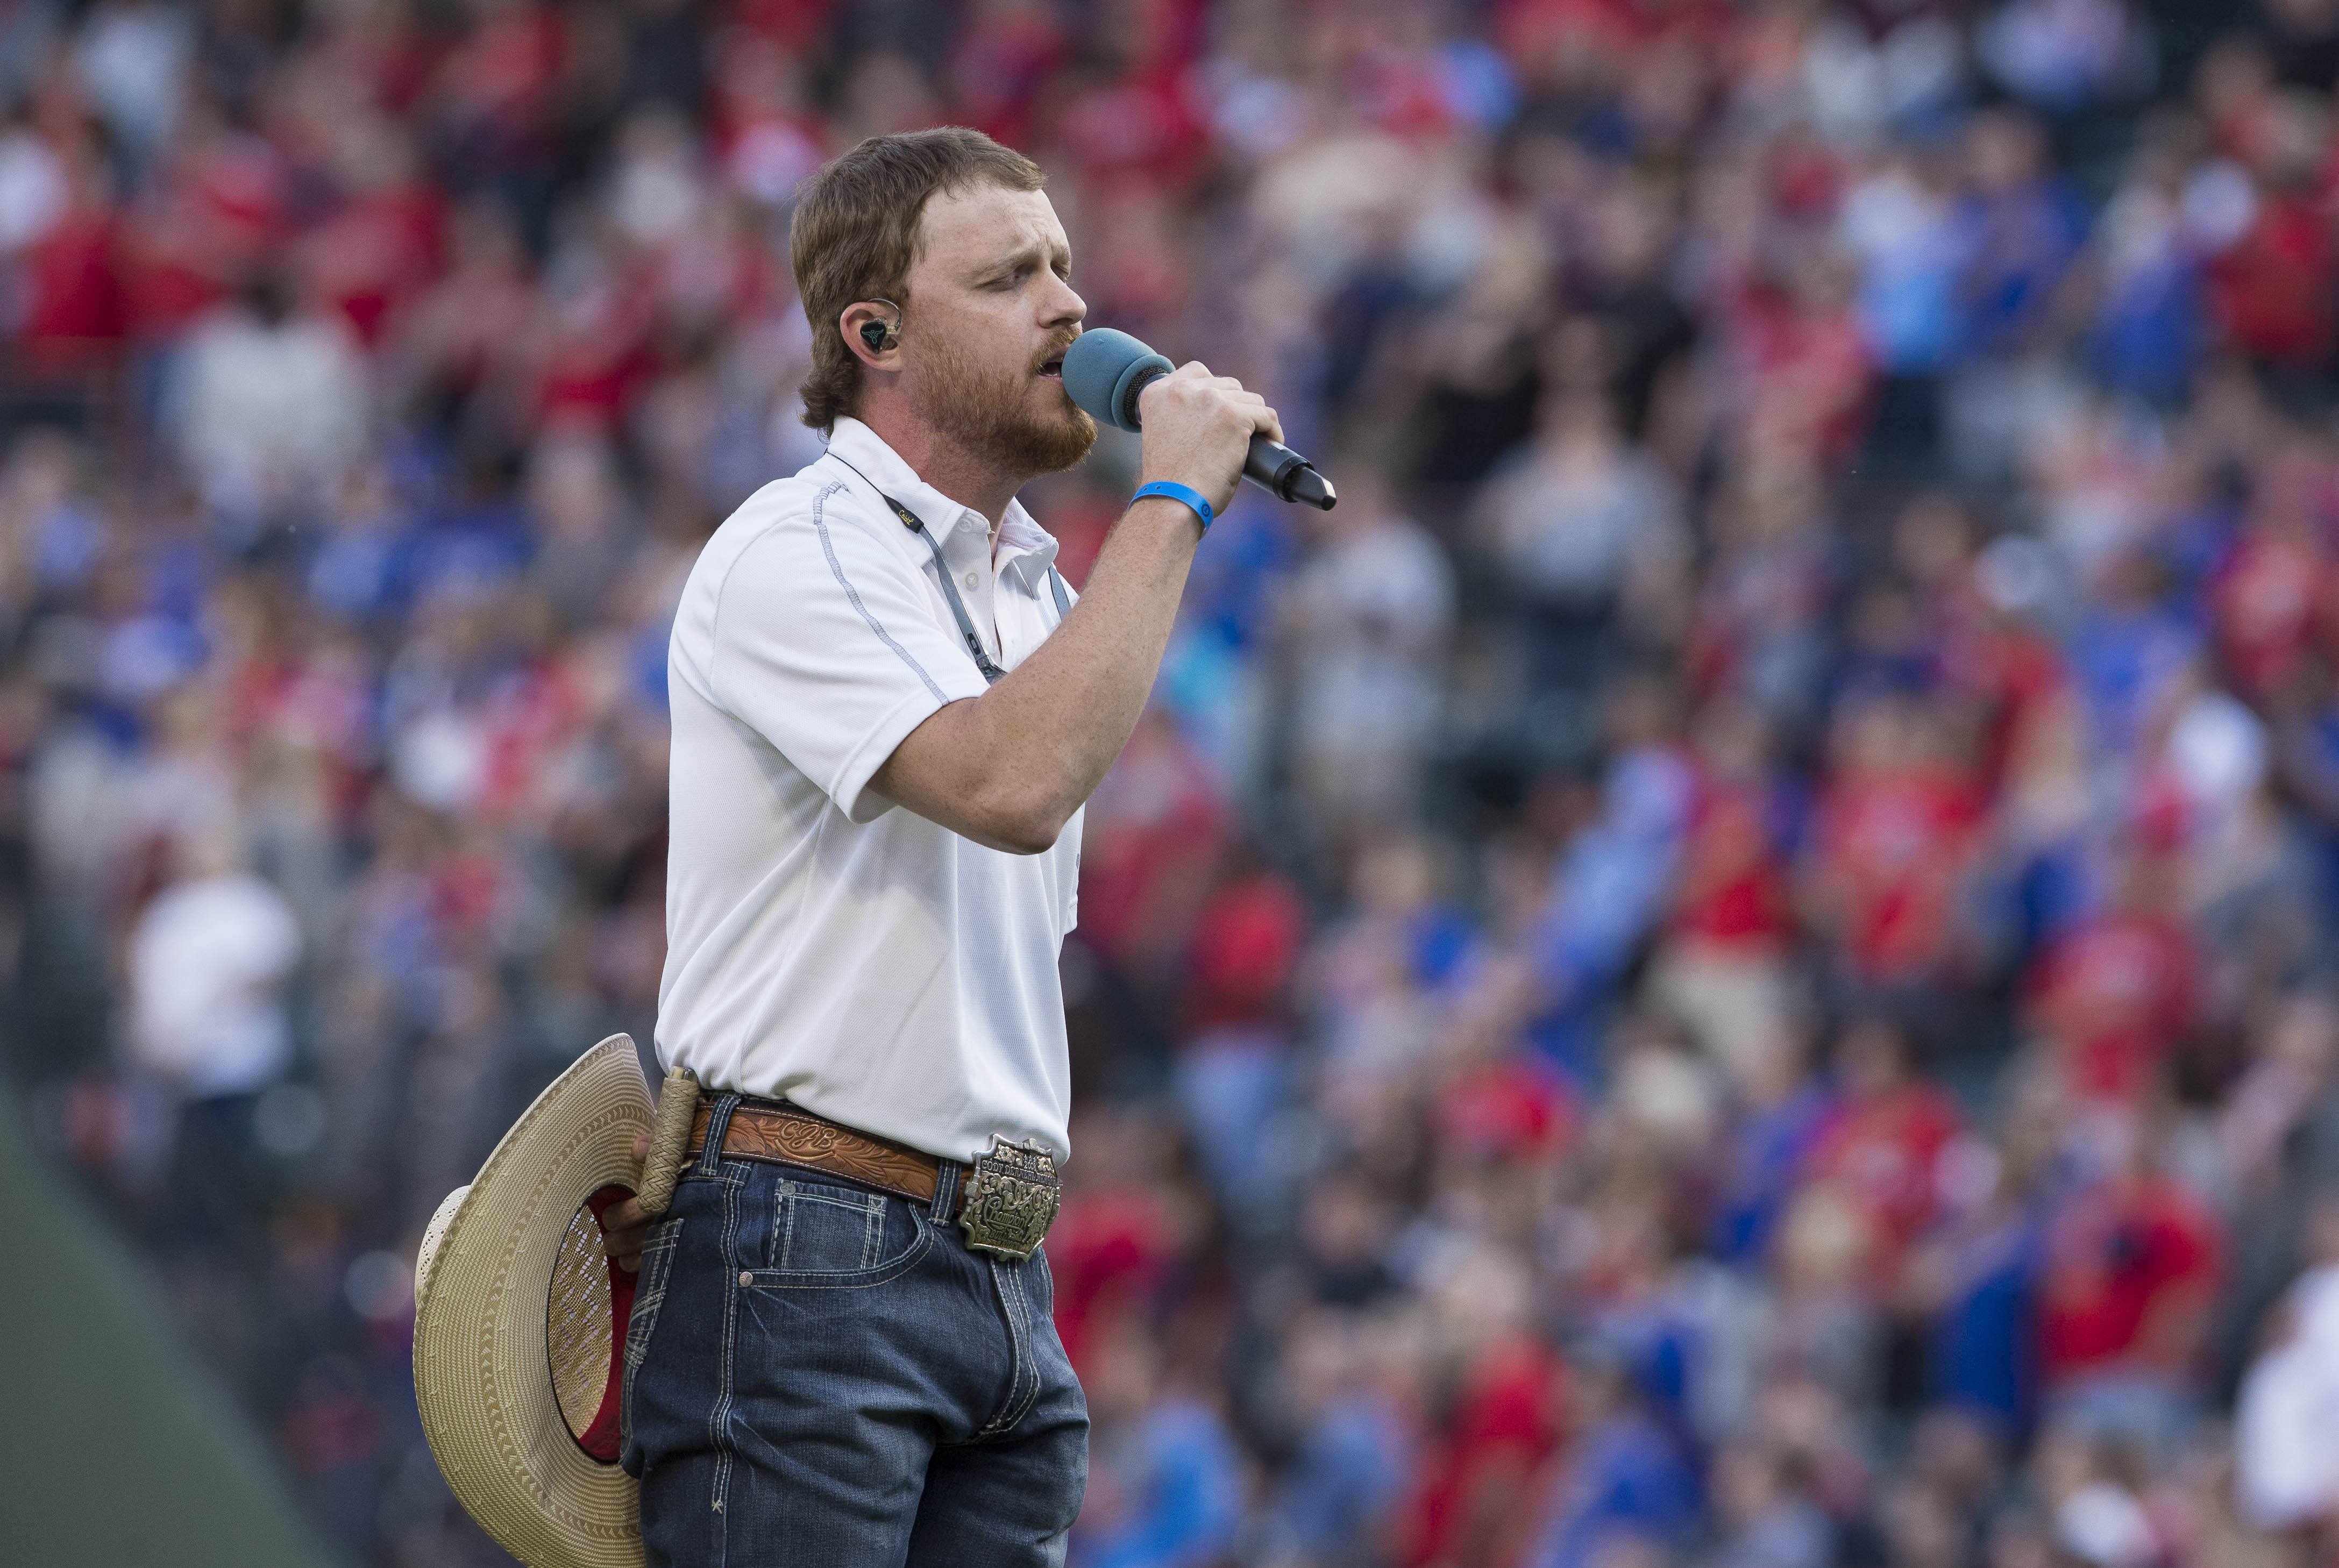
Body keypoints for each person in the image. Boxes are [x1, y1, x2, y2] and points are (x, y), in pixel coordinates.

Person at [602, 126, 1285, 1566]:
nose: (1069, 307)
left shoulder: (1038, 599)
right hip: (802, 1250)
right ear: (877, 337)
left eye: (1063, 266)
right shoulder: (797, 547)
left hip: (1000, 1273)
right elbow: (1010, 781)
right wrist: (1171, 500)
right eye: (1008, 278)